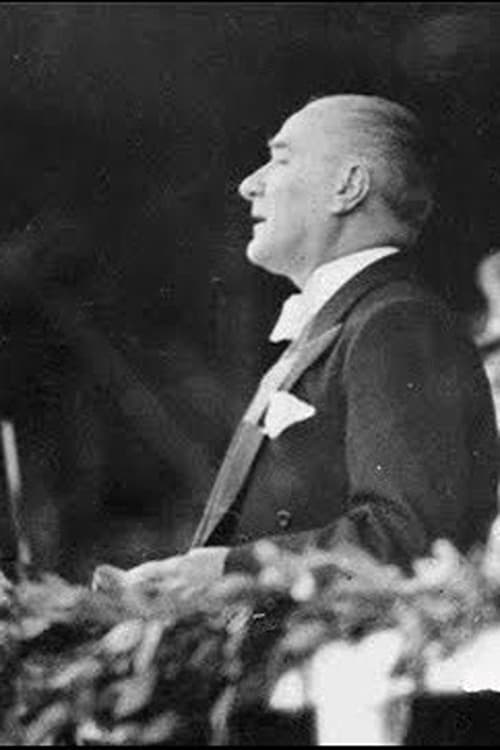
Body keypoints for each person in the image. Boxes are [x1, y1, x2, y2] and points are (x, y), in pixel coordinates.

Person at [92, 94, 499, 599]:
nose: (249, 184)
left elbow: (409, 537)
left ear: (348, 186)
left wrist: (228, 570)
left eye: (281, 159)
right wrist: (185, 581)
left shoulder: (396, 322)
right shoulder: (349, 323)